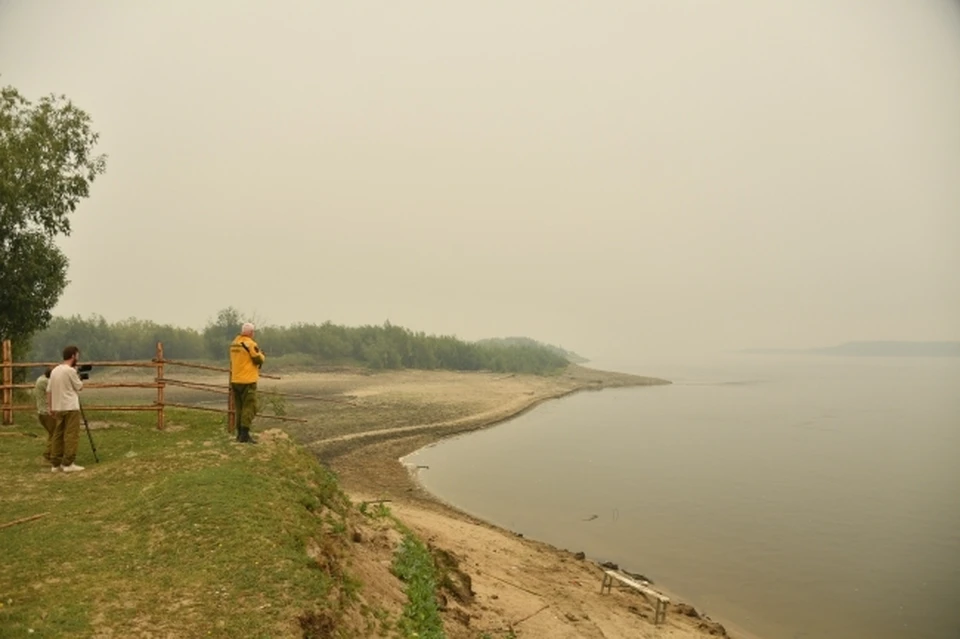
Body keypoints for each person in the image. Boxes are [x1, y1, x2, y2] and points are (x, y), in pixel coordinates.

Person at [47, 345, 85, 473]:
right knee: (71, 434)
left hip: (58, 406)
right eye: (77, 356)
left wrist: (50, 406)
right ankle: (68, 463)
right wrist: (78, 376)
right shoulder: (70, 371)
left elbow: (49, 390)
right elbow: (79, 387)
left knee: (58, 434)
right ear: (73, 356)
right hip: (70, 406)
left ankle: (55, 463)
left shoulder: (55, 371)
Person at [229, 322, 265, 444]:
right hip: (248, 381)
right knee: (249, 407)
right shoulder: (250, 344)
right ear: (250, 333)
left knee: (239, 408)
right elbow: (258, 359)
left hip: (235, 380)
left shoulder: (234, 343)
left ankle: (239, 434)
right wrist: (262, 355)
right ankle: (245, 434)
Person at [35, 366, 55, 463]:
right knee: (55, 433)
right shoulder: (46, 382)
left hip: (43, 412)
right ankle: (49, 454)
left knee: (53, 433)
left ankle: (49, 453)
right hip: (46, 413)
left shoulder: (41, 379)